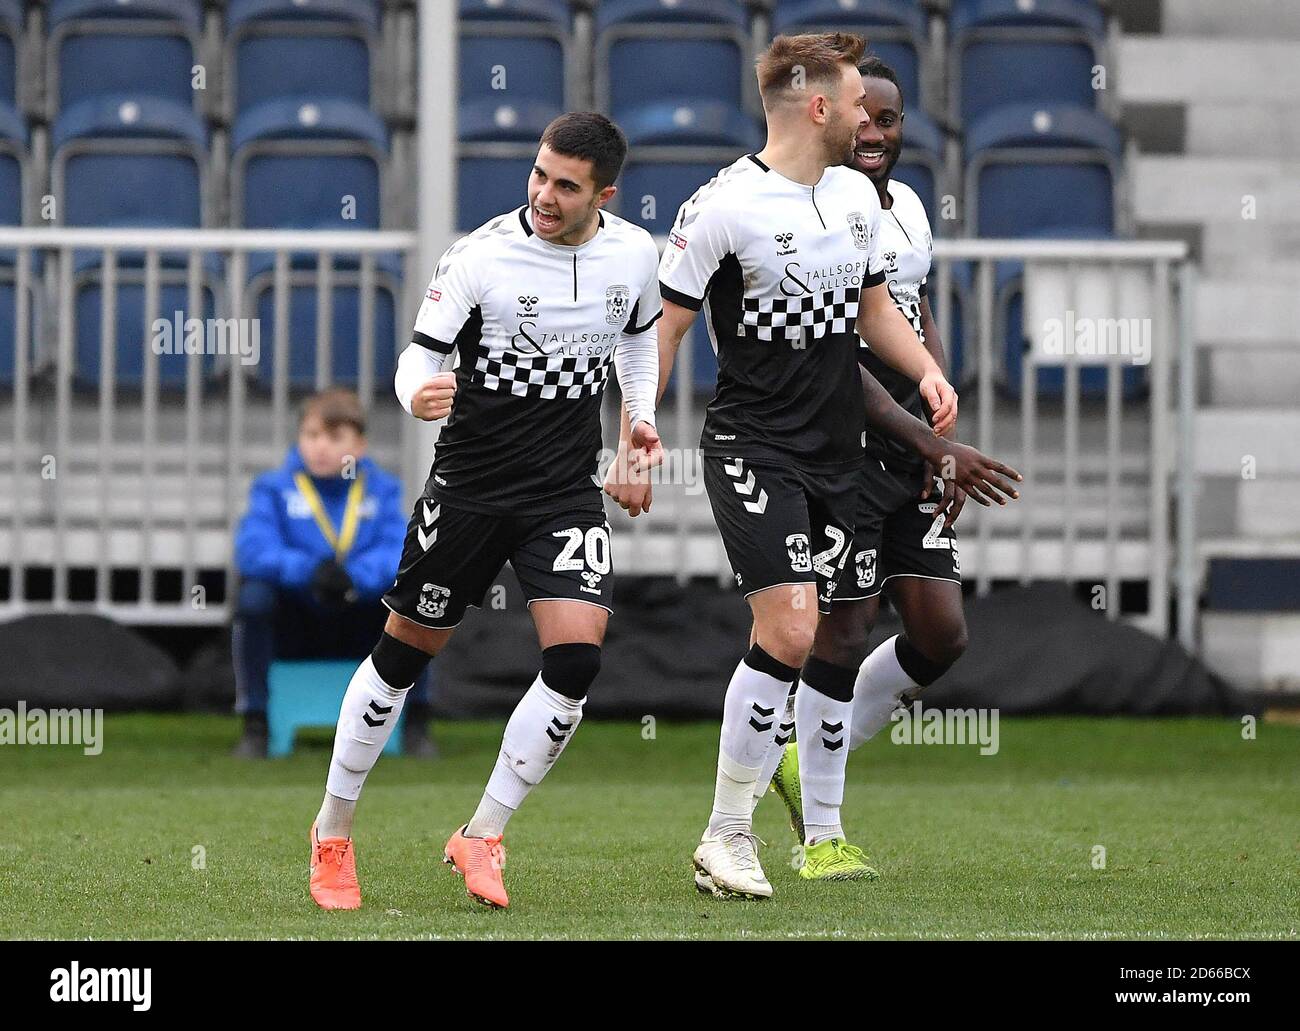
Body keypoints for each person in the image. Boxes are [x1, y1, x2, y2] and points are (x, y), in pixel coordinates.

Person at [607, 31, 979, 901]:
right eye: (856, 102)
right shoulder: (724, 207)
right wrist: (635, 428)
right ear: (819, 107)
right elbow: (664, 327)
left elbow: (874, 305)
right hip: (754, 446)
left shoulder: (854, 196)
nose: (869, 119)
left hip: (837, 452)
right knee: (789, 630)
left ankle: (754, 814)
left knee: (807, 636)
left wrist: (924, 367)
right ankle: (727, 835)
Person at [307, 112, 663, 912]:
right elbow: (416, 359)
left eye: (565, 185)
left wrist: (640, 425)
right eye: (539, 174)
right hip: (469, 487)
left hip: (563, 492)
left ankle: (483, 832)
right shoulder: (479, 256)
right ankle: (332, 831)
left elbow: (640, 341)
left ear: (603, 193)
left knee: (575, 664)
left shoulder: (637, 253)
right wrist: (413, 393)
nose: (543, 193)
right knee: (403, 656)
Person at [764, 57, 1011, 877]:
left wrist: (941, 399)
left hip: (910, 442)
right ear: (831, 115)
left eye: (891, 120)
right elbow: (839, 354)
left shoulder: (904, 206)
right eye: (864, 117)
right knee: (844, 626)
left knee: (942, 632)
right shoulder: (812, 211)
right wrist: (930, 443)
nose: (876, 133)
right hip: (841, 447)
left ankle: (800, 753)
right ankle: (822, 836)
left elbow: (914, 306)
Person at [232, 388, 436, 760]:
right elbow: (252, 550)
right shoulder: (273, 489)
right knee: (253, 599)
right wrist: (310, 571)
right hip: (296, 618)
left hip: (362, 619)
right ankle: (255, 722)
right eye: (312, 435)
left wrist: (354, 577)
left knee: (420, 596)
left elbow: (400, 551)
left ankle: (417, 722)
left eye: (334, 436)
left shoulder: (384, 489)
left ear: (359, 445)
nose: (320, 447)